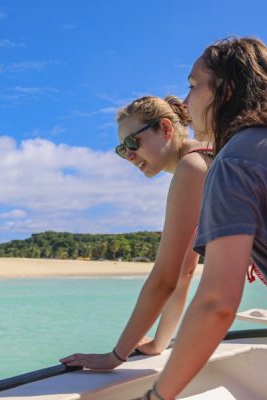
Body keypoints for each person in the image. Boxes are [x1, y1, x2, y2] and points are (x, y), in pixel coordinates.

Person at [140, 37, 267, 400]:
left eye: (192, 86)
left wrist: (157, 395)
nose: (185, 104)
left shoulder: (236, 161)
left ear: (227, 90)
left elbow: (216, 302)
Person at [60, 95, 213, 370]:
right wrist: (158, 343)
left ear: (166, 129)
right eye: (122, 149)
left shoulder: (192, 167)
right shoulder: (205, 153)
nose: (129, 156)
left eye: (133, 142)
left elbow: (164, 279)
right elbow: (183, 272)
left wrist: (116, 356)